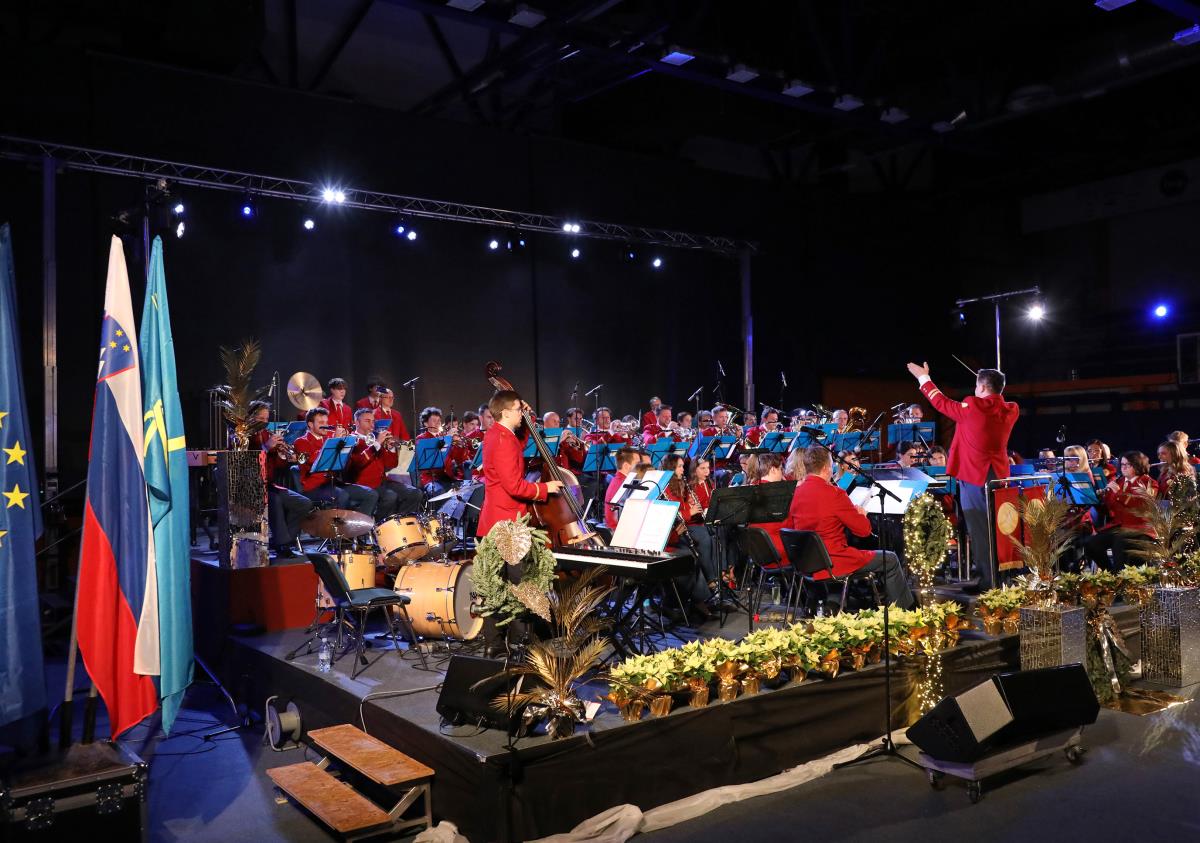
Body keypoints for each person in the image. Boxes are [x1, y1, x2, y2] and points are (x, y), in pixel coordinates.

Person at [906, 361, 1018, 591]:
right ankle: (1000, 578)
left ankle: (989, 583)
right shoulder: (1011, 409)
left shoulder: (974, 406)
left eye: (977, 385)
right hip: (998, 475)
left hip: (975, 476)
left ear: (982, 387)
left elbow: (941, 402)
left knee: (980, 530)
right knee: (997, 528)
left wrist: (923, 378)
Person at [786, 446, 914, 608]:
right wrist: (861, 515)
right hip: (834, 561)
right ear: (825, 468)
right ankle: (906, 611)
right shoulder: (835, 494)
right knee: (890, 559)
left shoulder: (795, 492)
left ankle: (835, 602)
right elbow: (863, 531)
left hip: (807, 561)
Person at [248, 400, 314, 559]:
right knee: (275, 500)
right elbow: (247, 462)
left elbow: (277, 465)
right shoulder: (244, 435)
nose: (265, 423)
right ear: (251, 418)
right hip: (252, 486)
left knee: (304, 503)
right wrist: (266, 447)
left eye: (266, 419)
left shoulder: (266, 434)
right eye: (261, 419)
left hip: (269, 484)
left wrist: (283, 455)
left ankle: (284, 541)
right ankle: (282, 544)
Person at [661, 454, 720, 616]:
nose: (683, 469)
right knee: (696, 549)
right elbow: (674, 513)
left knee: (710, 538)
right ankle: (706, 591)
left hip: (682, 528)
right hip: (675, 531)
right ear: (671, 469)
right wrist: (690, 511)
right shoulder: (666, 488)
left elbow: (683, 506)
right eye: (680, 466)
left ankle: (705, 594)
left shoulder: (680, 483)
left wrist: (690, 505)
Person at [292, 407, 379, 516]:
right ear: (310, 424)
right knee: (342, 496)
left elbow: (345, 465)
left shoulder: (327, 438)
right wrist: (335, 441)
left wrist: (349, 446)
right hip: (314, 486)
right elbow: (312, 460)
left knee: (371, 494)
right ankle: (336, 526)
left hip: (333, 483)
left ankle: (358, 525)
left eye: (326, 422)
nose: (326, 425)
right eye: (321, 422)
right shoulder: (301, 442)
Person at [1083, 451, 1156, 571]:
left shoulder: (1149, 483)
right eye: (1122, 464)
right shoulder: (1119, 482)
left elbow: (1142, 506)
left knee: (1119, 541)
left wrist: (1119, 493)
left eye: (1128, 464)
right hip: (1118, 527)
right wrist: (1097, 501)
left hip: (1139, 528)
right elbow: (1108, 511)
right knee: (1090, 544)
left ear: (1138, 465)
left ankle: (1120, 576)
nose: (1124, 467)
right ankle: (1111, 574)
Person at [347, 407, 422, 518]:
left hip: (382, 482)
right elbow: (358, 463)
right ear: (357, 423)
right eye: (367, 421)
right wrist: (376, 444)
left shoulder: (374, 439)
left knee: (415, 493)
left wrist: (391, 448)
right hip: (365, 484)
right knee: (390, 497)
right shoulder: (351, 440)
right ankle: (381, 525)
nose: (372, 425)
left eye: (373, 421)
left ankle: (401, 522)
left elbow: (391, 464)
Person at [415, 406, 454, 497]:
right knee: (440, 492)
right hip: (430, 478)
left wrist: (459, 445)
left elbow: (456, 458)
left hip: (446, 476)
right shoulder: (421, 439)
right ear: (425, 423)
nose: (437, 423)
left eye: (439, 421)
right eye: (434, 421)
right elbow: (432, 461)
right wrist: (446, 440)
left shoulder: (443, 437)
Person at [604, 446, 644, 530]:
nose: (641, 467)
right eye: (638, 463)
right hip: (619, 532)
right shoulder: (624, 484)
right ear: (626, 466)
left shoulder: (618, 480)